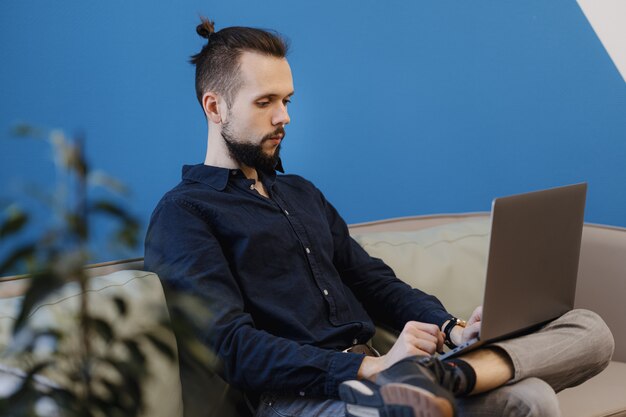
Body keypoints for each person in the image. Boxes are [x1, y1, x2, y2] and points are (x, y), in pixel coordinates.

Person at [144, 18, 614, 417]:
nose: (284, 116)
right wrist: (372, 368)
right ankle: (434, 382)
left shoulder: (301, 192)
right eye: (265, 102)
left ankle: (452, 374)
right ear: (214, 107)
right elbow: (230, 347)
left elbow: (373, 283)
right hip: (301, 400)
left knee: (587, 333)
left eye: (287, 100)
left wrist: (451, 331)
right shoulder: (185, 214)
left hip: (395, 380)